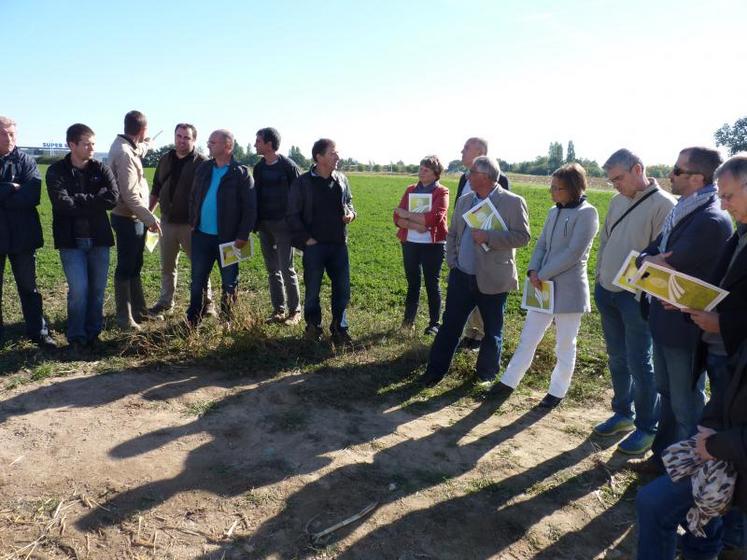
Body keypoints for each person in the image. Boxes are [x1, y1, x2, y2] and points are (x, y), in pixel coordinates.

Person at [633, 147, 733, 473]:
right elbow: (651, 254)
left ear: (697, 178)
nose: (670, 175)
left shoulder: (711, 220)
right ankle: (663, 459)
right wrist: (649, 261)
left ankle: (687, 471)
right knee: (667, 394)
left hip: (684, 328)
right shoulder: (685, 210)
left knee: (685, 403)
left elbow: (671, 263)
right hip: (664, 320)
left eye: (677, 170)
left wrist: (650, 262)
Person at [592, 149, 675, 455]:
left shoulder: (665, 205)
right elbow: (605, 241)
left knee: (641, 363)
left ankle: (647, 427)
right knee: (617, 358)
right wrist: (600, 277)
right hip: (607, 291)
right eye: (611, 179)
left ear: (638, 169)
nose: (615, 185)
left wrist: (639, 294)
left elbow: (661, 258)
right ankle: (622, 413)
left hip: (636, 299)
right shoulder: (616, 201)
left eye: (619, 178)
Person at [420, 156, 530, 388]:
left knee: (492, 329)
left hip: (493, 277)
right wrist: (453, 261)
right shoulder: (465, 200)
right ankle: (435, 371)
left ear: (486, 177)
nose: (467, 176)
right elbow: (452, 234)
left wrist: (489, 237)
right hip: (462, 274)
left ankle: (485, 375)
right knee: (450, 325)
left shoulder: (512, 202)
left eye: (471, 172)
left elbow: (523, 237)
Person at [495, 163, 598, 407]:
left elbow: (574, 253)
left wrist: (542, 273)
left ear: (573, 188)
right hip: (542, 286)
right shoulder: (554, 211)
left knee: (565, 344)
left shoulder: (587, 213)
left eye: (557, 188)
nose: (552, 192)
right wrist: (533, 269)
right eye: (551, 187)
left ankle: (557, 391)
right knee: (528, 337)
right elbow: (541, 244)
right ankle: (508, 382)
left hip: (570, 290)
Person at [45, 124, 118, 351]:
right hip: (71, 240)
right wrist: (94, 200)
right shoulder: (57, 171)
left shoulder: (101, 168)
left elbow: (112, 199)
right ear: (72, 144)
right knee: (78, 291)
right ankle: (76, 336)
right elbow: (61, 203)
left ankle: (94, 334)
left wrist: (78, 200)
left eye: (93, 144)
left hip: (99, 239)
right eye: (86, 144)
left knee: (97, 291)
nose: (91, 148)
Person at [287, 138, 356, 345]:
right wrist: (305, 239)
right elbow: (291, 214)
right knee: (313, 290)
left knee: (342, 289)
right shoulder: (303, 182)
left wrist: (351, 215)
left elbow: (350, 203)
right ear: (319, 157)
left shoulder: (341, 179)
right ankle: (313, 326)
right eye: (333, 153)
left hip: (338, 245)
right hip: (314, 247)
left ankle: (339, 327)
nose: (338, 157)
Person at [187, 129, 256, 327]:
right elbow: (193, 196)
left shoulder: (241, 174)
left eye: (213, 142)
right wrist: (193, 221)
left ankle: (228, 321)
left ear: (228, 146)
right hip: (201, 236)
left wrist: (242, 235)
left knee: (229, 282)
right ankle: (193, 320)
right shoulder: (204, 168)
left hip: (229, 240)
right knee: (197, 280)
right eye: (209, 141)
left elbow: (250, 209)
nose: (208, 145)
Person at [0, 116, 56, 349]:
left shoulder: (26, 161)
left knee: (28, 287)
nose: (10, 138)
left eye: (13, 133)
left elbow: (32, 195)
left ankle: (38, 331)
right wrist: (11, 188)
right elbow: (20, 194)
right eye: (4, 133)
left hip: (23, 236)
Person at [148, 123, 212, 316]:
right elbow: (156, 188)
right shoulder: (165, 159)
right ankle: (165, 302)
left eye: (187, 137)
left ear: (194, 140)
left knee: (199, 265)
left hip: (192, 225)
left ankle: (207, 302)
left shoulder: (202, 162)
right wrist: (149, 215)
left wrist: (200, 222)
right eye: (179, 136)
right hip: (167, 222)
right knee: (167, 266)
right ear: (175, 137)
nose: (182, 141)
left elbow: (208, 195)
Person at [455, 137, 511, 351]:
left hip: (487, 249)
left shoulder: (500, 179)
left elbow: (502, 219)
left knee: (483, 294)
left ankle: (479, 337)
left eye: (466, 148)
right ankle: (470, 333)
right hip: (465, 247)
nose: (461, 150)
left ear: (480, 152)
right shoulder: (463, 178)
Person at [108, 110, 161, 331]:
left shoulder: (127, 146)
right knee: (126, 266)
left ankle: (139, 310)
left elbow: (139, 148)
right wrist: (151, 218)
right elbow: (129, 195)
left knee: (135, 265)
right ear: (142, 129)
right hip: (127, 217)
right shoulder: (124, 153)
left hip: (133, 217)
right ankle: (124, 317)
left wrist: (148, 142)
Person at [393, 155, 449, 335]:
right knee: (413, 283)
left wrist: (407, 215)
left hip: (433, 245)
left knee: (432, 283)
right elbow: (397, 217)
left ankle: (434, 323)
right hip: (410, 243)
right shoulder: (410, 189)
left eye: (426, 170)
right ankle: (408, 321)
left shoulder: (442, 192)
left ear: (436, 174)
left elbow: (435, 218)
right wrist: (417, 224)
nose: (421, 172)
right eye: (420, 168)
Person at [253, 127, 302, 325]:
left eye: (258, 141)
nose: (255, 144)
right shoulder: (259, 168)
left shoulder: (288, 166)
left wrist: (296, 224)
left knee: (286, 268)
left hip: (284, 227)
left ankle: (295, 311)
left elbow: (300, 196)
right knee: (272, 270)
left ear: (269, 144)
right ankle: (278, 310)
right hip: (265, 226)